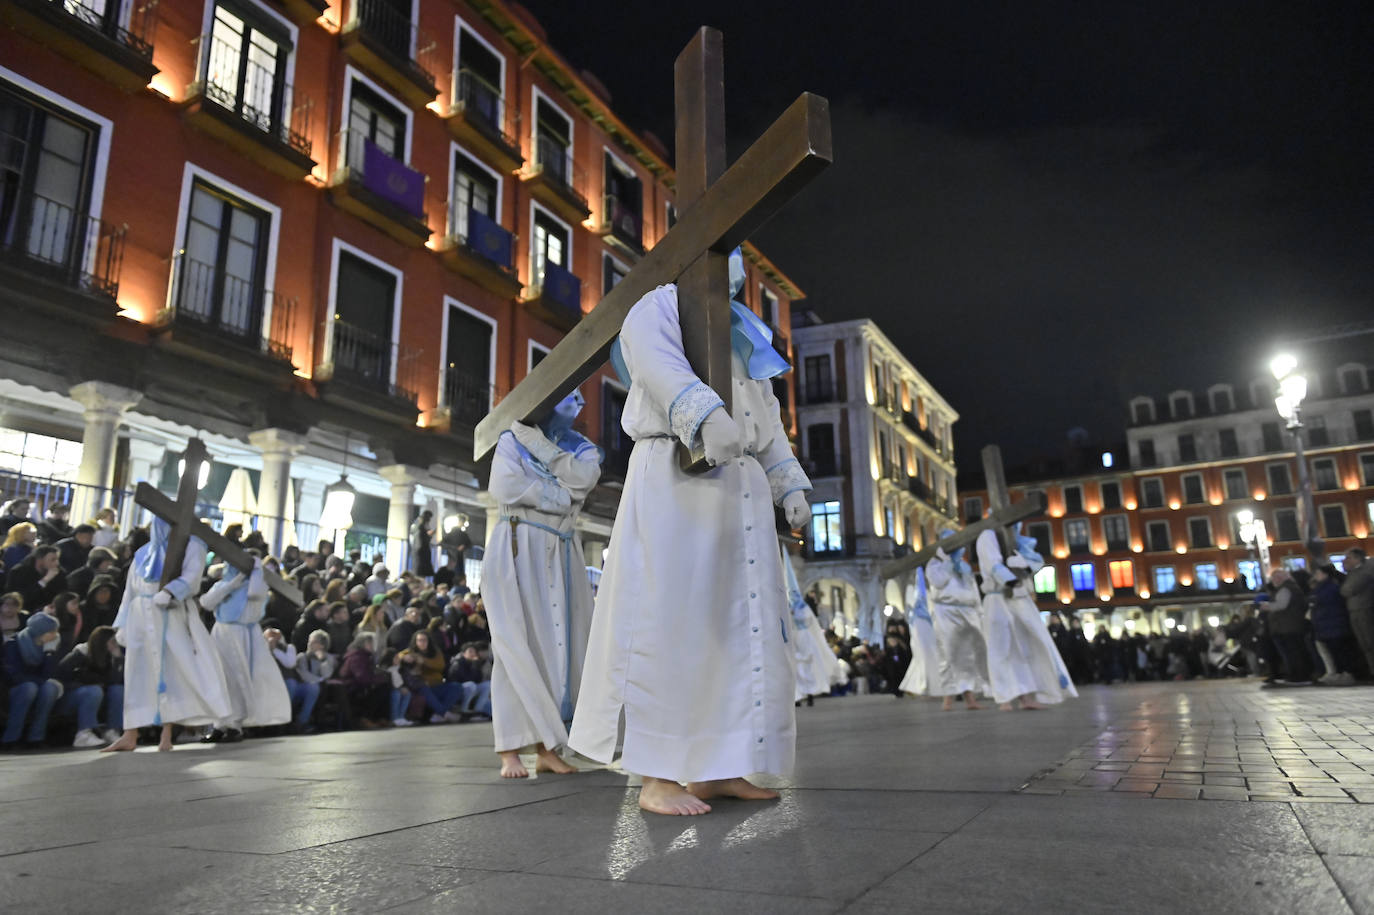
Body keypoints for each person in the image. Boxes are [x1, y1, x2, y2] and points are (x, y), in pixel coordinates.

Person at [569, 248, 813, 815]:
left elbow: (766, 413)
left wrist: (787, 481)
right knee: (670, 623)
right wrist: (702, 414)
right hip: (679, 478)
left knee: (738, 631)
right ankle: (657, 775)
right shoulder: (657, 305)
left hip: (741, 495)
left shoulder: (741, 330)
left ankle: (720, 767)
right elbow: (656, 363)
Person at [482, 388, 601, 778]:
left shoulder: (582, 448)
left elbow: (583, 482)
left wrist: (543, 450)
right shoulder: (509, 439)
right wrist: (560, 497)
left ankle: (548, 745)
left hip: (562, 551)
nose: (575, 405)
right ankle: (509, 749)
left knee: (559, 648)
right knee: (515, 643)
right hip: (517, 546)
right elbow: (505, 487)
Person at [102, 517, 232, 752]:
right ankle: (130, 732)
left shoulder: (191, 545)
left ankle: (167, 734)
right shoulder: (144, 553)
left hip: (168, 612)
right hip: (141, 614)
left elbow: (192, 577)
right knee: (137, 672)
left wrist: (172, 591)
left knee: (171, 668)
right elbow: (130, 590)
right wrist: (122, 624)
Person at [975, 524, 1077, 710]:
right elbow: (993, 564)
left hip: (1019, 598)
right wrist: (1010, 578)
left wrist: (1024, 567)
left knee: (1026, 647)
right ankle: (1004, 697)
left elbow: (1033, 562)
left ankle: (1027, 695)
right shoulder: (988, 535)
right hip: (998, 598)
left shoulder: (1016, 539)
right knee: (1000, 648)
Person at [200, 559, 291, 742]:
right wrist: (231, 585)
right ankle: (219, 724)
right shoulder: (223, 585)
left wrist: (256, 570)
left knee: (238, 678)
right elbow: (207, 603)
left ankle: (235, 725)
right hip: (220, 633)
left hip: (242, 635)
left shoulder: (256, 586)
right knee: (219, 677)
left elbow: (255, 595)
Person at [921, 540, 990, 711]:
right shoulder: (935, 564)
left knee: (970, 654)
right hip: (946, 611)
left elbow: (973, 588)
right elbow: (938, 582)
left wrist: (979, 611)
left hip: (968, 611)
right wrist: (947, 563)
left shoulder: (964, 566)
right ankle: (948, 697)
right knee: (948, 653)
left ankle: (970, 697)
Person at [1, 612, 63, 748]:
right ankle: (11, 738)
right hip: (15, 687)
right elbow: (14, 675)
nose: (55, 634)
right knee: (29, 688)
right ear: (40, 632)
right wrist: (39, 682)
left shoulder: (50, 646)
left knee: (50, 689)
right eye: (52, 631)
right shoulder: (14, 644)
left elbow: (49, 674)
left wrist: (49, 653)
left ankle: (36, 737)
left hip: (37, 685)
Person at [56, 624, 123, 747]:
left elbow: (114, 681)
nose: (115, 644)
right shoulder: (82, 652)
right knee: (94, 691)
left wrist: (118, 659)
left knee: (118, 690)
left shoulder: (111, 656)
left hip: (97, 695)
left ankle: (112, 730)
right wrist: (81, 684)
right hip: (72, 696)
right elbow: (61, 674)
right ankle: (83, 734)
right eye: (112, 641)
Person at [397, 629, 466, 722]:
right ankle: (444, 713)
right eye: (419, 640)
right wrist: (404, 657)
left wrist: (424, 661)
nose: (422, 642)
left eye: (424, 640)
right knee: (423, 688)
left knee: (457, 687)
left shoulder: (435, 652)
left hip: (436, 685)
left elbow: (440, 666)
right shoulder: (411, 651)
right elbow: (399, 655)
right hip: (422, 686)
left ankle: (439, 714)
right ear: (415, 641)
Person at [1259, 568, 1312, 686]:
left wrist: (1267, 606)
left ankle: (1299, 676)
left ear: (1281, 577)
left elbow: (1281, 605)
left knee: (1293, 653)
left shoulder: (1286, 589)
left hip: (1288, 626)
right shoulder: (1290, 588)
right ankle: (1296, 675)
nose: (1273, 580)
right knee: (1292, 652)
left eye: (1275, 578)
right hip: (1288, 626)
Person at [264, 627, 318, 731]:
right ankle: (282, 723)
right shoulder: (262, 650)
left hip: (291, 684)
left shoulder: (289, 648)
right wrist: (269, 648)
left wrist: (275, 650)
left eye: (276, 636)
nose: (274, 638)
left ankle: (302, 721)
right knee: (290, 683)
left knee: (313, 687)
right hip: (272, 687)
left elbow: (290, 663)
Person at [1341, 548, 1374, 678]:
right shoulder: (1352, 573)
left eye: (1348, 557)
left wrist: (1346, 589)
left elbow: (1348, 590)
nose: (1345, 560)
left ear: (1357, 558)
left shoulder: (1365, 572)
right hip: (1355, 610)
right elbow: (1345, 589)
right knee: (1364, 643)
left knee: (1370, 640)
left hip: (1365, 609)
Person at [6, 545, 66, 611]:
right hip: (25, 610)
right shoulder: (19, 572)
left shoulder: (59, 572)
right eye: (53, 560)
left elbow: (62, 593)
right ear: (39, 560)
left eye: (57, 559)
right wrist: (44, 581)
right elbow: (19, 597)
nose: (57, 563)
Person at [410, 510, 435, 579]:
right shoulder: (420, 527)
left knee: (420, 573)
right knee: (420, 573)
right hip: (421, 553)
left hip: (420, 553)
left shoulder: (419, 526)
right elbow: (422, 539)